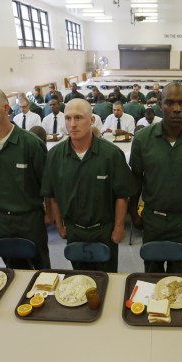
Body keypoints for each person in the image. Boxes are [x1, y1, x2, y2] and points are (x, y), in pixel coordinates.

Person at [43, 99, 135, 272]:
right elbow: (52, 194)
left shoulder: (111, 154)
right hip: (74, 230)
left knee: (108, 277)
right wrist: (60, 226)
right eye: (68, 118)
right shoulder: (55, 155)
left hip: (104, 231)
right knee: (80, 277)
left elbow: (121, 195)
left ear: (92, 120)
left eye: (78, 118)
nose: (72, 124)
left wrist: (119, 227)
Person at [129, 82, 182, 273]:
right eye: (170, 103)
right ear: (159, 104)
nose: (177, 109)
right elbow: (136, 178)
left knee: (178, 272)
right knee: (152, 270)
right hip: (153, 218)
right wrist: (133, 212)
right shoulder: (142, 139)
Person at [0, 87, 50, 269]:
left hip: (29, 219)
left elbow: (48, 186)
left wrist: (49, 214)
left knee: (40, 270)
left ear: (6, 109)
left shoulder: (31, 144)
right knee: (12, 269)